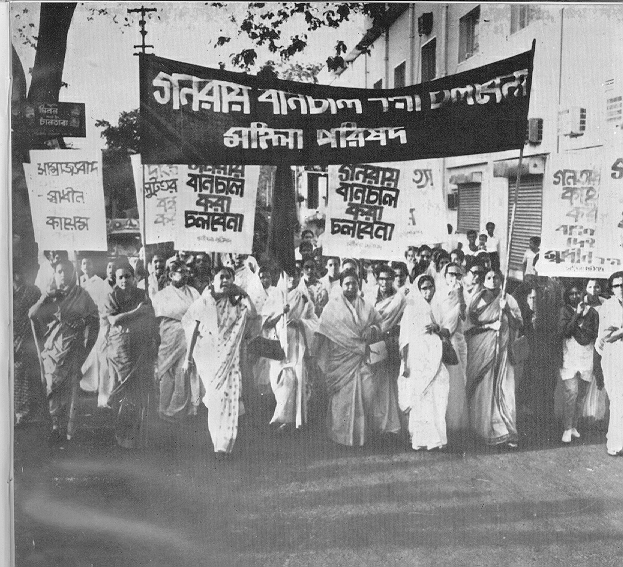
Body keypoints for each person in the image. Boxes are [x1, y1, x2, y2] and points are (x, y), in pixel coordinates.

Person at [182, 267, 256, 458]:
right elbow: (192, 328)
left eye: (229, 278)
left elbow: (254, 315)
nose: (225, 281)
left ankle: (223, 443)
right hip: (207, 355)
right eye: (221, 277)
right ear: (212, 280)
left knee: (228, 396)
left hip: (230, 356)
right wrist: (188, 358)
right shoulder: (203, 302)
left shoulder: (235, 303)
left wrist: (244, 293)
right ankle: (218, 439)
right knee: (216, 398)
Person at [29, 259, 99, 442]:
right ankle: (54, 425)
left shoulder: (82, 295)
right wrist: (46, 296)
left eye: (66, 271)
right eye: (59, 271)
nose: (63, 274)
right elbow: (32, 314)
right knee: (52, 387)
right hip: (52, 349)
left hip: (73, 348)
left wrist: (83, 325)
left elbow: (94, 318)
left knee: (72, 389)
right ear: (54, 273)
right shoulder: (50, 296)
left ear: (72, 273)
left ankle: (70, 429)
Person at [314, 270, 382, 447]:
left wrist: (372, 329)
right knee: (342, 400)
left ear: (359, 285)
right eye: (347, 284)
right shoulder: (332, 307)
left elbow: (379, 323)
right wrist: (314, 355)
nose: (351, 287)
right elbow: (322, 332)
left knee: (367, 393)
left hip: (363, 358)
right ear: (341, 286)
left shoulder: (367, 306)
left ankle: (362, 436)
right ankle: (339, 437)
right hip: (340, 360)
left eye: (354, 283)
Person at [465, 270, 523, 448]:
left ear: (501, 279)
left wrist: (506, 310)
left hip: (503, 352)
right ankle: (481, 430)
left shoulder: (508, 299)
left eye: (495, 277)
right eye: (488, 277)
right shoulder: (475, 299)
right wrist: (489, 326)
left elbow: (519, 324)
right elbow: (469, 328)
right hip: (481, 351)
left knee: (505, 390)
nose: (492, 280)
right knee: (483, 390)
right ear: (483, 280)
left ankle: (505, 431)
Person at [103, 262, 158, 449]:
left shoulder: (142, 295)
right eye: (120, 277)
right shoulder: (112, 297)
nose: (124, 280)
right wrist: (137, 312)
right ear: (116, 280)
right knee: (123, 390)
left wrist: (152, 340)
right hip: (120, 350)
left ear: (134, 278)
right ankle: (122, 435)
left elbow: (150, 317)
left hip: (140, 347)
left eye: (127, 276)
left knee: (138, 391)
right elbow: (113, 320)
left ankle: (135, 435)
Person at [398, 275, 450, 451]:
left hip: (435, 357)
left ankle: (436, 438)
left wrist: (438, 328)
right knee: (421, 397)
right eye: (424, 288)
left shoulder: (438, 307)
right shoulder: (411, 309)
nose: (428, 292)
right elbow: (405, 338)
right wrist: (405, 364)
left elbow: (447, 330)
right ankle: (420, 439)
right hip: (418, 358)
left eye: (430, 287)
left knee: (437, 396)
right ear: (418, 290)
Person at [262, 270, 318, 431]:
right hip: (278, 344)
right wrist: (281, 312)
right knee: (280, 381)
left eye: (296, 275)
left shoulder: (303, 297)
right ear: (282, 276)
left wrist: (301, 322)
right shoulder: (274, 295)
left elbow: (314, 320)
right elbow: (265, 323)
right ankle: (282, 418)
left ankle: (292, 422)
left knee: (296, 379)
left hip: (297, 344)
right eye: (289, 275)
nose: (293, 278)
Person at [152, 260, 201, 422]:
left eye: (187, 272)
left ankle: (175, 411)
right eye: (182, 272)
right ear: (172, 275)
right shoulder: (162, 295)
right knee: (166, 373)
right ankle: (162, 407)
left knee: (183, 374)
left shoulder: (193, 292)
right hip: (168, 337)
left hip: (189, 336)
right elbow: (156, 318)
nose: (186, 275)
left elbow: (199, 314)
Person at [557, 282, 599, 443]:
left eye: (577, 293)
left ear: (582, 294)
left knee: (581, 395)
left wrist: (581, 330)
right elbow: (565, 331)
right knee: (571, 393)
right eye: (571, 294)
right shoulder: (564, 311)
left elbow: (594, 333)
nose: (574, 296)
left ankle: (574, 426)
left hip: (586, 356)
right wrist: (577, 315)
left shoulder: (593, 312)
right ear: (567, 296)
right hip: (569, 357)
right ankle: (567, 428)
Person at [371, 265, 404, 437]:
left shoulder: (399, 299)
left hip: (391, 342)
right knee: (375, 383)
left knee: (391, 382)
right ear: (377, 279)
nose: (385, 282)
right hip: (373, 343)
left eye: (388, 278)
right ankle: (376, 425)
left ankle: (391, 426)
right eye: (382, 279)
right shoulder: (370, 296)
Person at [437, 263, 469, 443]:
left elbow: (464, 316)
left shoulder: (463, 294)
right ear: (445, 274)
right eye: (451, 274)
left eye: (458, 274)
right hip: (440, 339)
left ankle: (454, 422)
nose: (454, 277)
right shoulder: (439, 293)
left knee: (457, 380)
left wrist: (461, 296)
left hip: (457, 341)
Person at [597, 271, 623, 456]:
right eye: (616, 286)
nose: (620, 289)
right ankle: (616, 442)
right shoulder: (607, 307)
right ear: (611, 289)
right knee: (618, 399)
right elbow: (606, 336)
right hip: (614, 356)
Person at [13, 261, 42, 426]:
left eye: (23, 273)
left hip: (29, 338)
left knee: (25, 374)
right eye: (17, 273)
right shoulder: (7, 291)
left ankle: (22, 412)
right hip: (12, 337)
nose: (20, 276)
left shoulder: (33, 291)